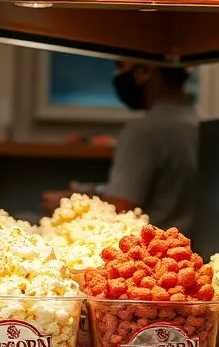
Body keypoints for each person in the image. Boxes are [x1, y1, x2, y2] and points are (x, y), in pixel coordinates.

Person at [42, 62, 199, 236]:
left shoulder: (143, 131)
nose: (117, 73)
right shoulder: (196, 123)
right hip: (188, 248)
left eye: (120, 65)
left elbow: (120, 210)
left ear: (145, 70)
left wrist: (70, 207)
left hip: (151, 251)